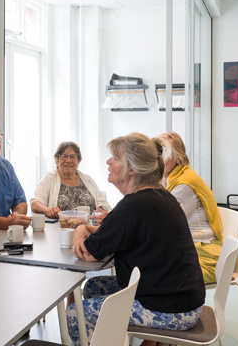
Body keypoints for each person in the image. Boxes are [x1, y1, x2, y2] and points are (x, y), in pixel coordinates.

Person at [67, 133, 205, 346]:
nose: (108, 161)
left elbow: (89, 253)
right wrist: (85, 228)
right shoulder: (157, 195)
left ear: (132, 169)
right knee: (93, 287)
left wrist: (79, 232)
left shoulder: (133, 206)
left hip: (171, 309)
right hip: (183, 297)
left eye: (115, 157)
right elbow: (111, 232)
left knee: (76, 312)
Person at [158, 131, 223, 284]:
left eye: (166, 153)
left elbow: (163, 224)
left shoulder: (183, 185)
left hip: (204, 259)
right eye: (158, 154)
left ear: (177, 156)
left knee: (154, 277)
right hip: (191, 251)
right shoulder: (173, 177)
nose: (160, 159)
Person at [31, 141, 112, 224]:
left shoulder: (88, 179)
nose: (68, 160)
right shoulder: (49, 179)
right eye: (64, 156)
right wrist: (48, 210)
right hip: (61, 229)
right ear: (56, 160)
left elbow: (103, 204)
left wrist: (101, 210)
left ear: (78, 161)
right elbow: (35, 203)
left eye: (73, 157)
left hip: (90, 228)